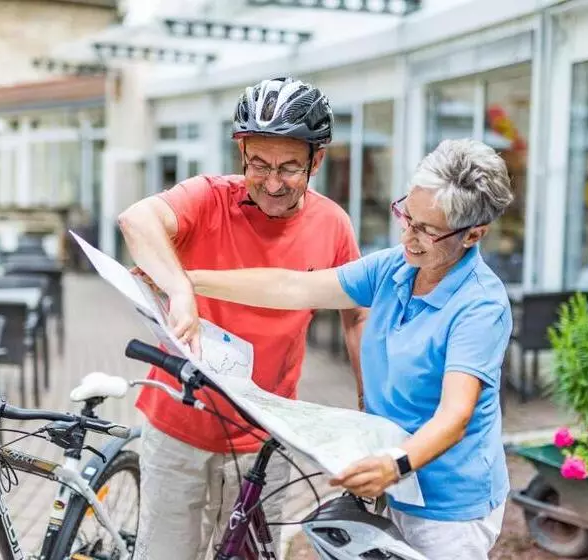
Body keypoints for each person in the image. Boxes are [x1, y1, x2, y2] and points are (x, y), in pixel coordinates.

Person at [187, 138, 515, 560]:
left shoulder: (480, 306)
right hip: (391, 479)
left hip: (447, 507)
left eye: (427, 230)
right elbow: (293, 286)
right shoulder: (395, 267)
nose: (408, 236)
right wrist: (187, 281)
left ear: (473, 235)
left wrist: (395, 464)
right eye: (407, 216)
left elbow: (456, 415)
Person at [118, 76, 368, 560]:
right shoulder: (208, 197)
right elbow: (137, 220)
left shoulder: (333, 224)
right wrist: (180, 290)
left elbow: (357, 317)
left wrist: (367, 404)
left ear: (317, 160)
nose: (272, 183)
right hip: (177, 426)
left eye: (289, 168)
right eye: (259, 164)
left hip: (263, 435)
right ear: (242, 152)